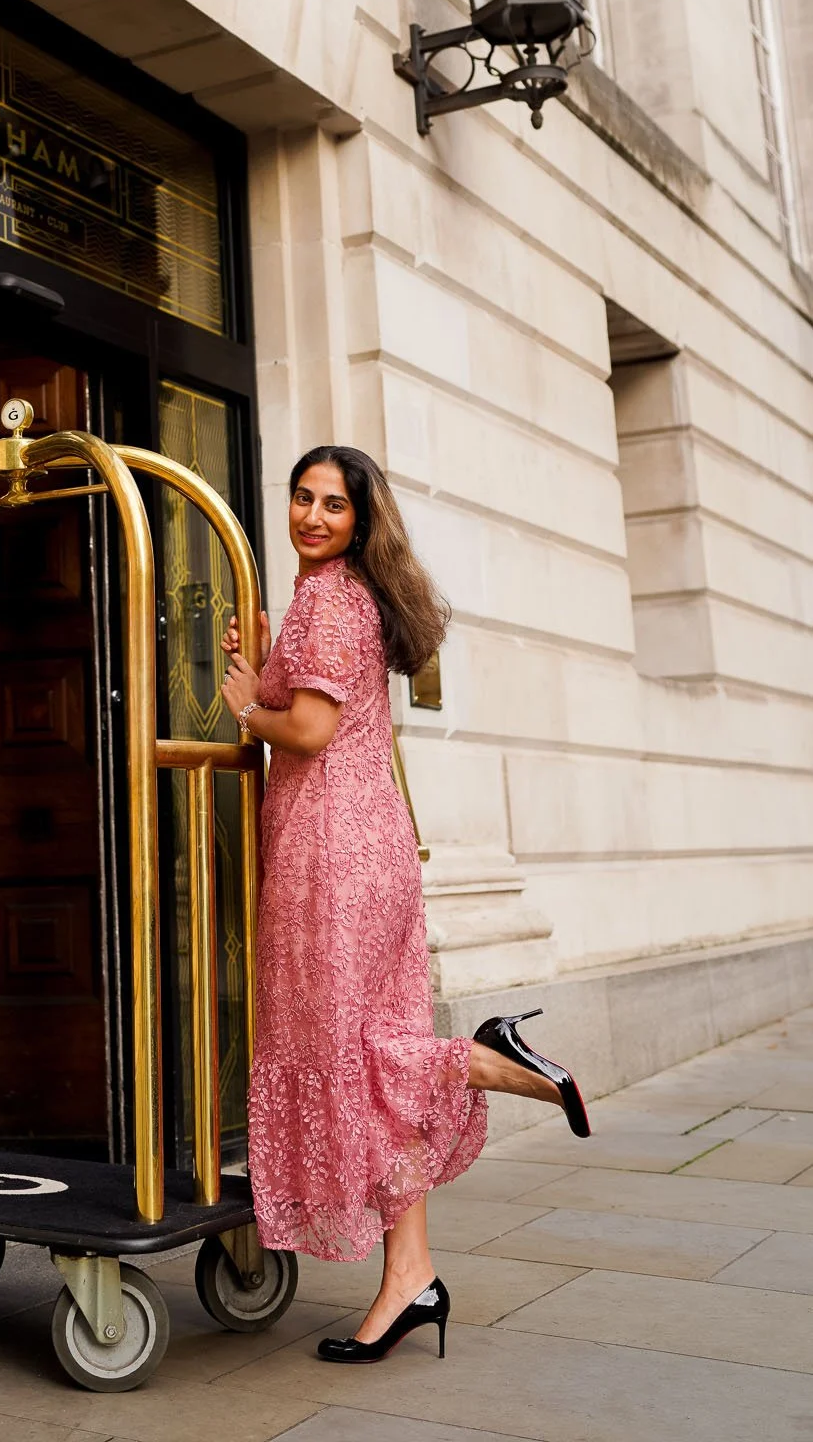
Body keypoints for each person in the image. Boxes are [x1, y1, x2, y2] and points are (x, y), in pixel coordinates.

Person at [220, 446, 590, 1366]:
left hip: (329, 857)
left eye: (331, 505)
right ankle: (409, 1277)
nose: (309, 516)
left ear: (359, 520)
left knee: (350, 1053)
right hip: (364, 846)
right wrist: (263, 663)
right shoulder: (351, 600)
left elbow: (306, 729)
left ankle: (489, 1058)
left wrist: (243, 705)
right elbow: (327, 708)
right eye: (301, 498)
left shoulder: (329, 597)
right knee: (366, 1045)